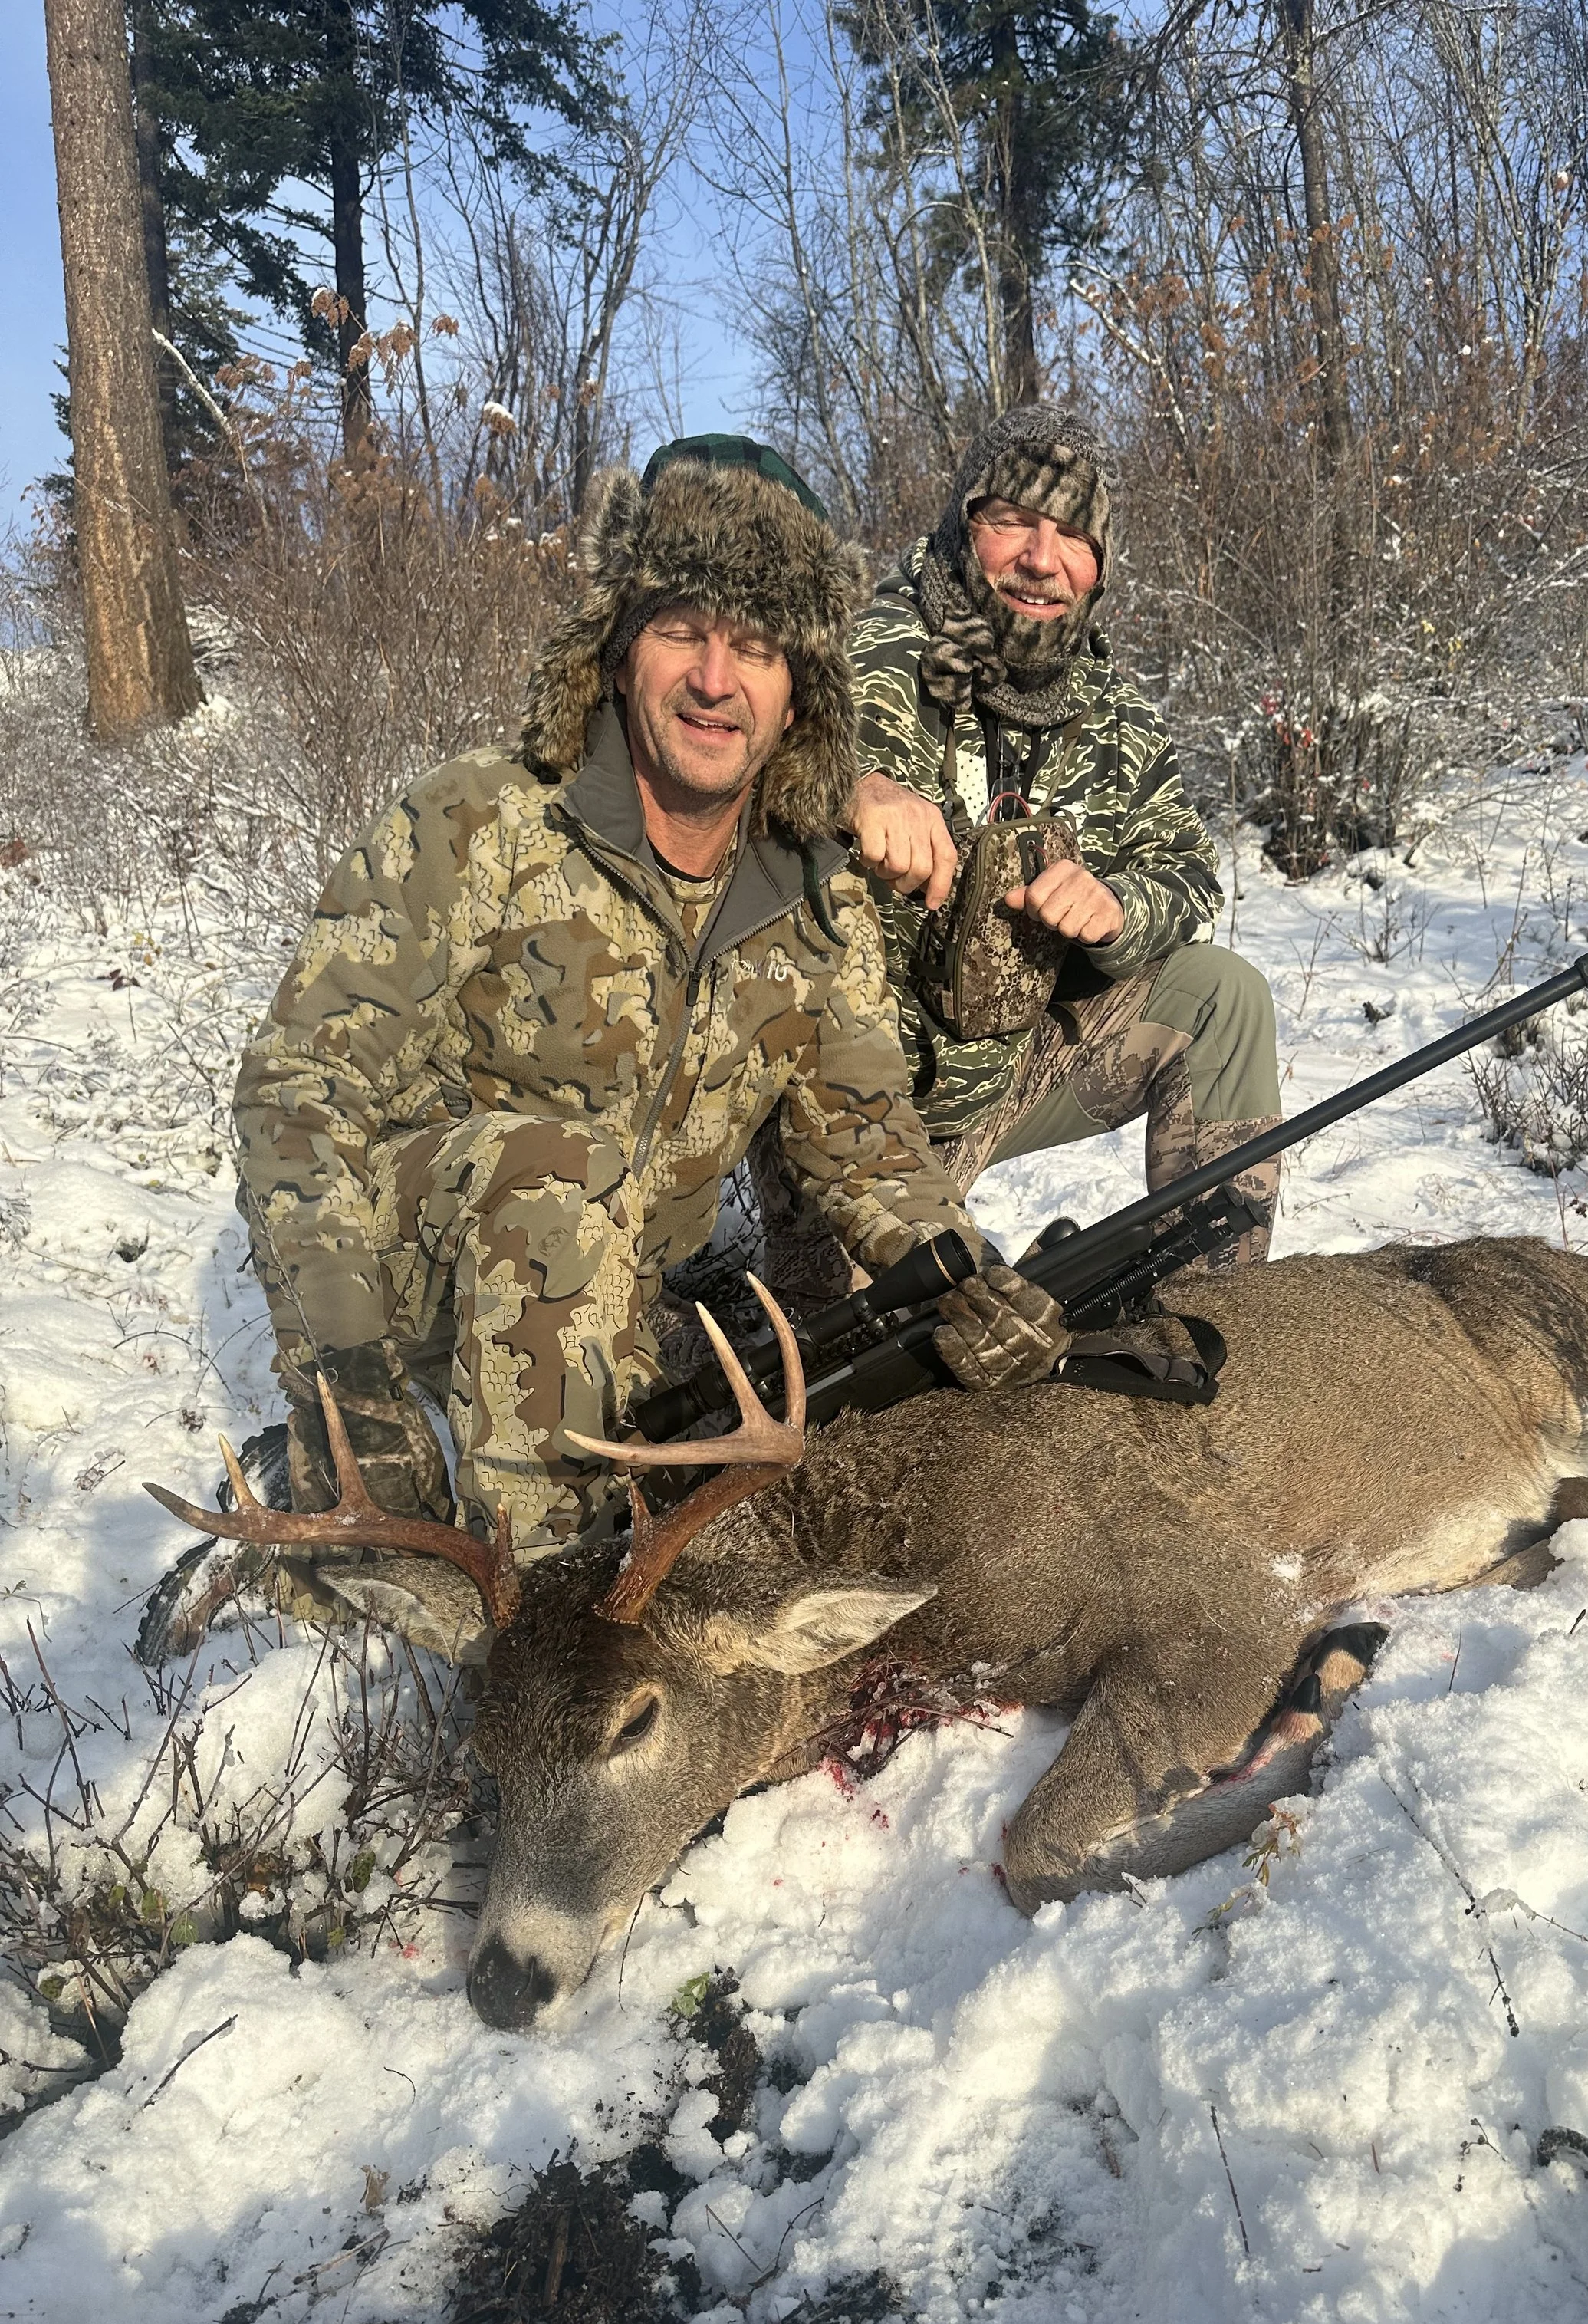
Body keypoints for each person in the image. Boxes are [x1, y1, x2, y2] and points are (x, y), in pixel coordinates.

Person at [143, 436, 1066, 1661]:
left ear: (804, 692)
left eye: (759, 647)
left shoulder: (815, 895)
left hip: (619, 1294)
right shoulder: (479, 821)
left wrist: (963, 1276)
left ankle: (497, 1506)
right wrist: (346, 1370)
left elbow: (865, 1145)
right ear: (622, 644)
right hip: (421, 1269)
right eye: (684, 629)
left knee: (789, 1394)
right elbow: (299, 1090)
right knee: (557, 1177)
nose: (715, 679)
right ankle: (535, 1628)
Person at [841, 402, 1283, 1248]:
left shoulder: (1115, 712)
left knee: (1223, 995)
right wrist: (850, 788)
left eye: (1073, 536)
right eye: (1011, 522)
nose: (1041, 559)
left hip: (1014, 1070)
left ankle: (1226, 1315)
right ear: (963, 525)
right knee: (880, 1359)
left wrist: (1117, 909)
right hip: (856, 1110)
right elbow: (744, 766)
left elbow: (1187, 872)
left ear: (1099, 568)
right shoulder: (867, 655)